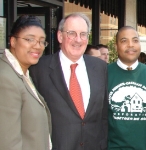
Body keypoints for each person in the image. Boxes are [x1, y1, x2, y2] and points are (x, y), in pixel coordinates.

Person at [29, 13, 108, 150]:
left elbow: (103, 115)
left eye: (83, 34)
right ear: (60, 36)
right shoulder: (38, 69)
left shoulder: (100, 67)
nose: (78, 40)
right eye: (72, 33)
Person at [0, 15, 51, 150]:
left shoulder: (22, 73)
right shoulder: (5, 78)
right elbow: (8, 143)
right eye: (30, 39)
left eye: (42, 41)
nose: (37, 46)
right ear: (12, 41)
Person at [108, 26, 146, 150]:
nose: (130, 45)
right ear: (116, 46)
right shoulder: (103, 74)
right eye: (124, 41)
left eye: (135, 40)